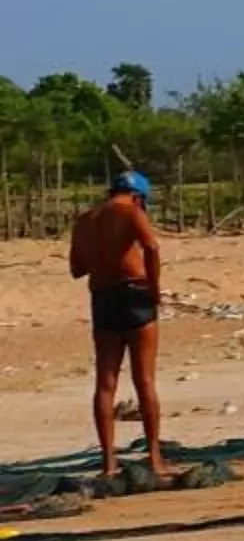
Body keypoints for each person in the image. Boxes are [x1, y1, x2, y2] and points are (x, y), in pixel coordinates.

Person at [68, 171, 166, 480]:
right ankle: (154, 457)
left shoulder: (85, 219)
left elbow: (77, 269)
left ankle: (109, 463)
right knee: (145, 380)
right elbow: (151, 247)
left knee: (105, 383)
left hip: (103, 298)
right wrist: (154, 287)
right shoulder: (131, 212)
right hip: (134, 295)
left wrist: (102, 257)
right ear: (138, 196)